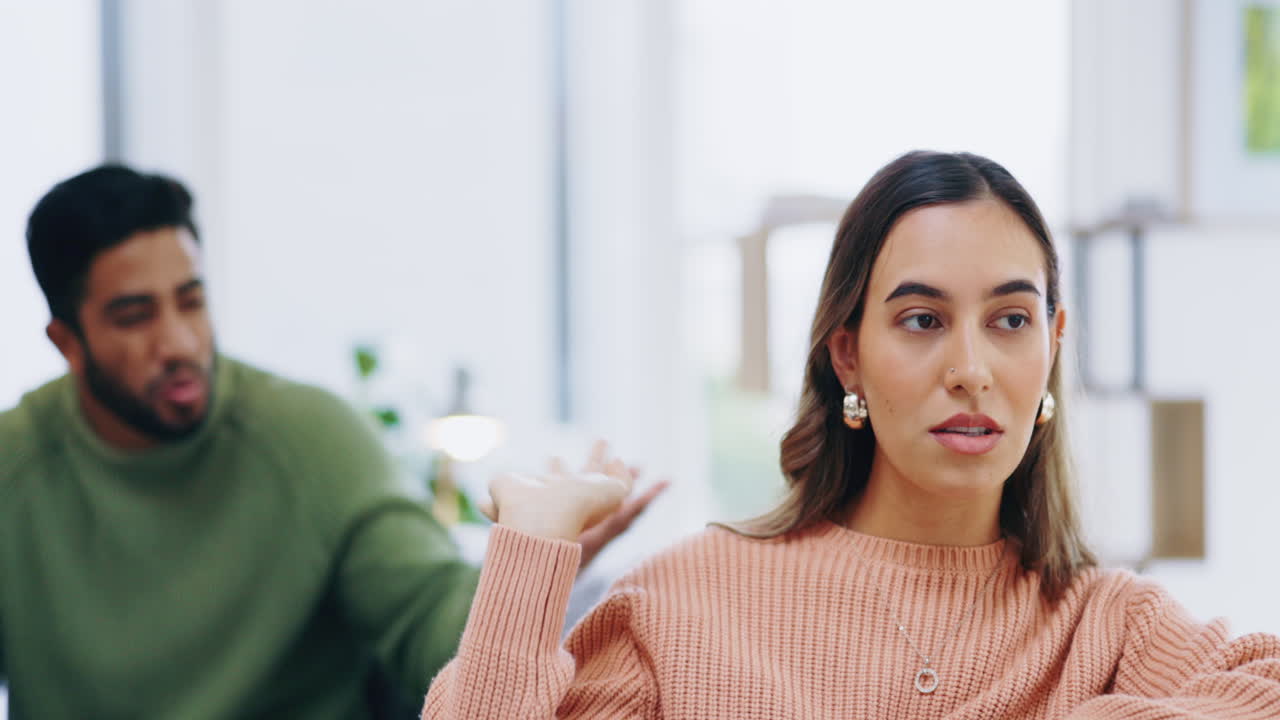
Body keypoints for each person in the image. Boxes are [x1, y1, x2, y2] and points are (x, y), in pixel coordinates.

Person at [421, 150, 1280, 719]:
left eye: (1011, 320)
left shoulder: (1112, 625)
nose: (972, 369)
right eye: (922, 320)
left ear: (1053, 346)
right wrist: (532, 553)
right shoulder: (684, 605)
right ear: (848, 356)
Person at [0, 164, 664, 719]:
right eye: (134, 316)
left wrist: (538, 563)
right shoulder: (15, 467)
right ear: (67, 342)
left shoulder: (310, 438)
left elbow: (432, 629)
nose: (177, 342)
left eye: (191, 301)